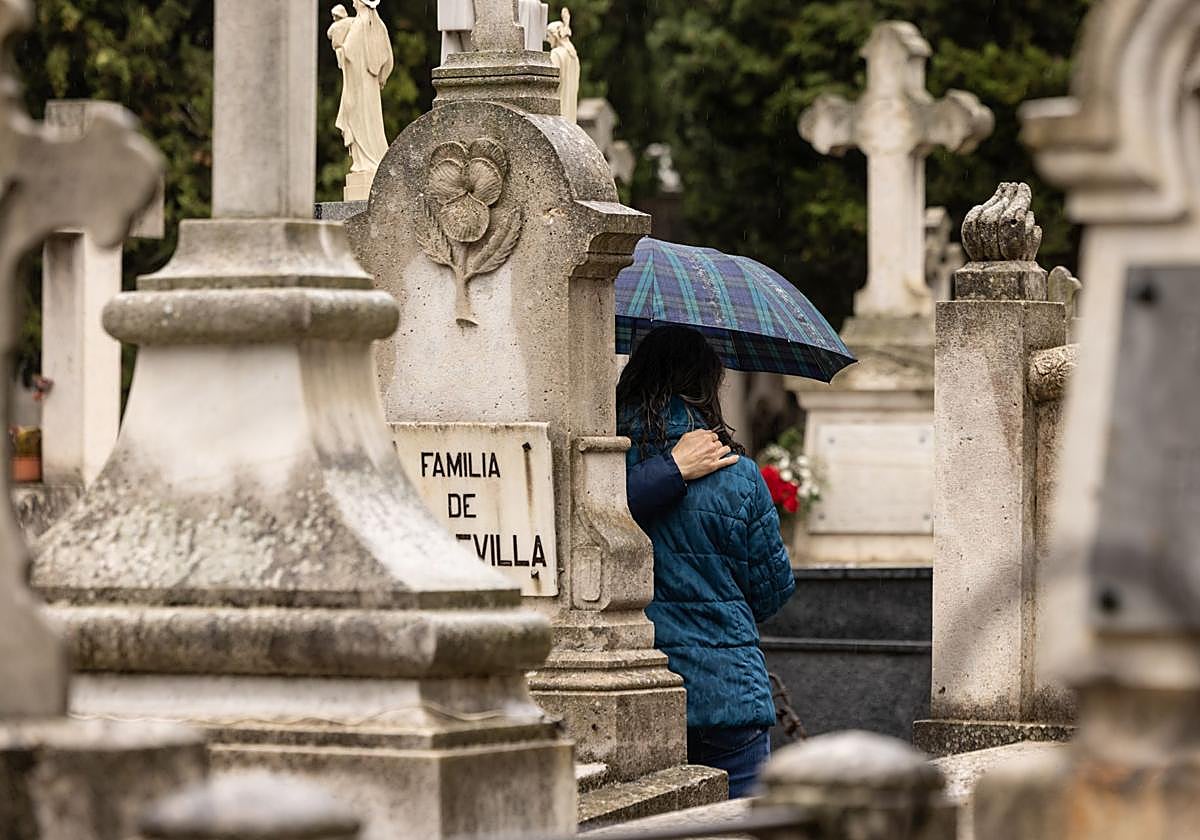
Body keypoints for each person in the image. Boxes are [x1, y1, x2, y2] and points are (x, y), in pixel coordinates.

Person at [617, 325, 795, 797]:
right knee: (738, 826)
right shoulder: (740, 477)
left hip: (629, 691)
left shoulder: (607, 465)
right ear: (706, 387)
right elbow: (772, 591)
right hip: (727, 695)